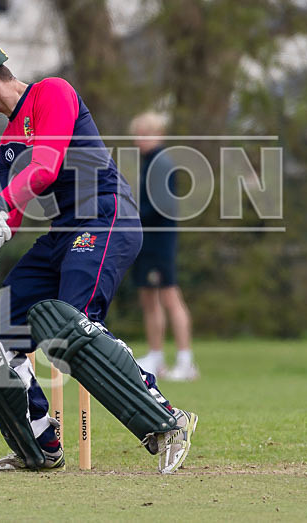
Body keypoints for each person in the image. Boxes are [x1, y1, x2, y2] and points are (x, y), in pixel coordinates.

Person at [0, 39, 197, 473]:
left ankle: (166, 421)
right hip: (63, 232)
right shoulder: (5, 148)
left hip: (105, 216)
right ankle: (38, 443)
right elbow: (13, 215)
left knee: (71, 328)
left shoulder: (52, 93)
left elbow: (46, 166)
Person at [129, 112, 198, 381]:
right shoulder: (148, 163)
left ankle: (186, 361)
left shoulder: (161, 163)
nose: (140, 139)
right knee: (149, 298)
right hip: (146, 240)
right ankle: (156, 357)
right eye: (137, 134)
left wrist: (130, 215)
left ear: (158, 135)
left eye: (145, 134)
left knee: (170, 296)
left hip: (159, 242)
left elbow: (162, 206)